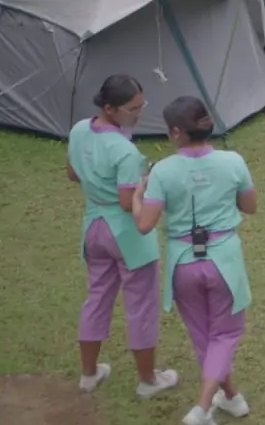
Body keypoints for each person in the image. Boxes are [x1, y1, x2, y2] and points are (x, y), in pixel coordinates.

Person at [132, 96, 257, 425]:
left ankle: (232, 398)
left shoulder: (162, 171)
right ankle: (203, 408)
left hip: (183, 264)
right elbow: (250, 205)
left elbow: (145, 224)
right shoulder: (233, 161)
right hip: (224, 262)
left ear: (176, 132)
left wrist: (136, 199)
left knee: (205, 336)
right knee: (225, 336)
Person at [68, 75, 178, 399]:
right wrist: (148, 181)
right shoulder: (125, 151)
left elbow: (73, 173)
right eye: (133, 108)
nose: (140, 112)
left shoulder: (78, 131)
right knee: (141, 305)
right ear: (109, 108)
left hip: (93, 229)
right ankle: (148, 380)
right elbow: (128, 203)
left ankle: (88, 375)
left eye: (141, 104)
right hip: (127, 237)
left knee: (97, 298)